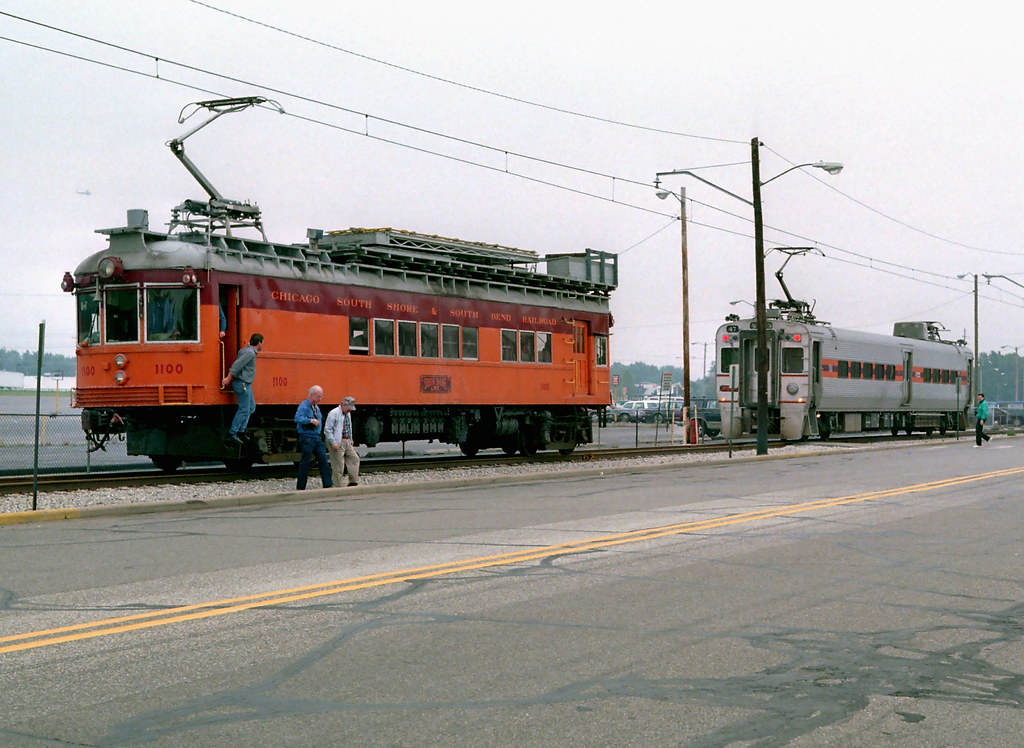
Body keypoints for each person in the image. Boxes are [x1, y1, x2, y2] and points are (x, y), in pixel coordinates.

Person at [221, 333, 264, 444]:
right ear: (259, 343)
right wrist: (228, 379)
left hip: (246, 384)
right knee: (244, 409)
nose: (262, 345)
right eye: (262, 343)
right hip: (242, 383)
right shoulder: (250, 353)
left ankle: (241, 430)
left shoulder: (245, 350)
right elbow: (236, 366)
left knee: (251, 407)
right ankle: (233, 432)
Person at [295, 385, 333, 490]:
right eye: (318, 396)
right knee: (305, 462)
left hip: (316, 437)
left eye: (321, 396)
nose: (320, 399)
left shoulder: (316, 407)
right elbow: (298, 418)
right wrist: (310, 421)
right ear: (312, 395)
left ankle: (328, 484)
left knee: (323, 460)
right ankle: (301, 486)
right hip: (307, 437)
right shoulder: (304, 406)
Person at [325, 396, 360, 486]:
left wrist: (351, 439)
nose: (350, 410)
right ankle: (338, 485)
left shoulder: (347, 413)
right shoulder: (334, 413)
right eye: (349, 408)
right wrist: (333, 442)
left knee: (354, 459)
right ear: (343, 405)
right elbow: (327, 430)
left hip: (346, 440)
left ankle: (353, 482)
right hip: (337, 441)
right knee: (338, 465)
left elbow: (349, 427)